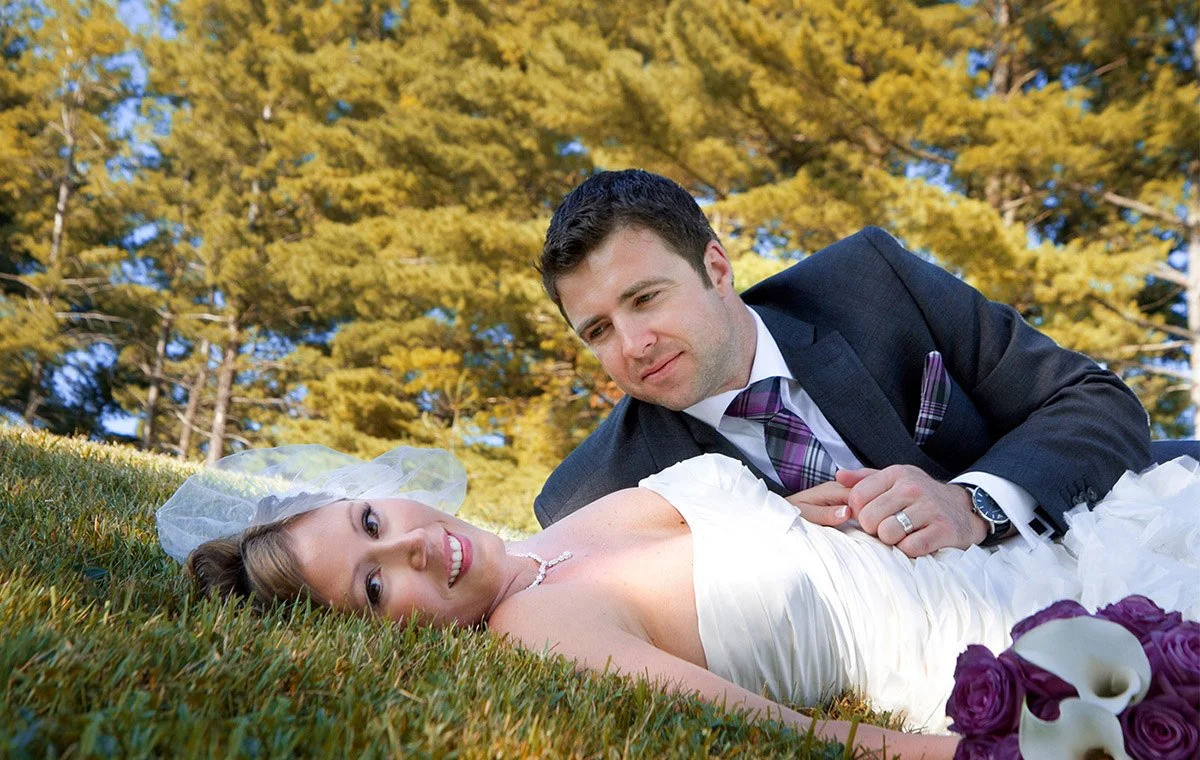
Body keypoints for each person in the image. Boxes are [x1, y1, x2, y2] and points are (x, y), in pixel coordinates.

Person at [157, 445, 1199, 757]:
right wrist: (994, 753)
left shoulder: (574, 528)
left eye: (371, 521)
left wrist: (840, 509)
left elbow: (769, 522)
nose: (415, 544)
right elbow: (795, 734)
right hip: (982, 643)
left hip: (999, 560)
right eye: (376, 582)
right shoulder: (543, 628)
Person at [535, 170, 1152, 557]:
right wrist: (755, 537)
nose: (633, 344)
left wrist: (970, 505)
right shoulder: (590, 500)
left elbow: (1092, 399)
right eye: (599, 331)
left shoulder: (870, 283)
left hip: (1087, 537)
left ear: (716, 270)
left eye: (645, 298)